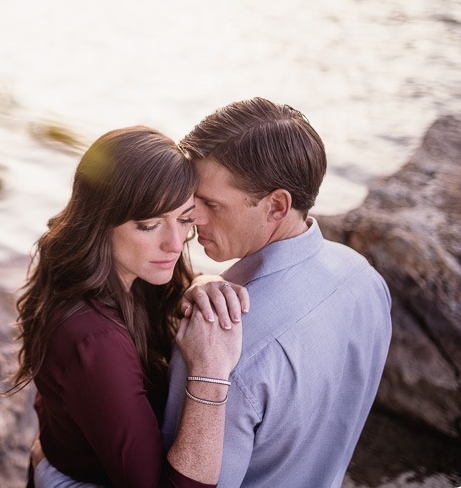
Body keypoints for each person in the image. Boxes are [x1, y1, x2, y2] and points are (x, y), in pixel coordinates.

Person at [163, 97, 392, 487]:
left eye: (211, 203)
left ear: (276, 206)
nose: (191, 216)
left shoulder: (219, 344)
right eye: (193, 197)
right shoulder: (364, 279)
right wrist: (200, 281)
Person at [7, 126, 245, 487]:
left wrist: (202, 282)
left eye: (184, 219)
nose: (175, 244)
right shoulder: (95, 337)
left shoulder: (117, 277)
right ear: (100, 223)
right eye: (149, 225)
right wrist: (209, 375)